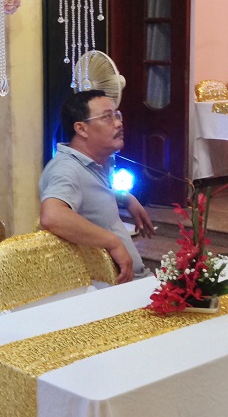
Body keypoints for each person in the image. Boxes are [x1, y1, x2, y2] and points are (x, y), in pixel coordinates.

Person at [39, 90, 155, 283]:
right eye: (107, 117)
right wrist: (113, 242)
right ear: (81, 129)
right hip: (111, 288)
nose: (118, 123)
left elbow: (93, 191)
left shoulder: (96, 162)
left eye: (117, 115)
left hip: (134, 280)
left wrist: (125, 198)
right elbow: (52, 216)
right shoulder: (66, 168)